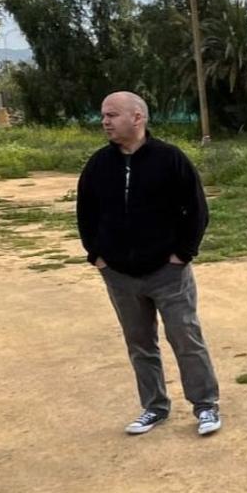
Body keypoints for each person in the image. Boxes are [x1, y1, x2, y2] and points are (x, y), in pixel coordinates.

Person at [76, 91, 221, 436]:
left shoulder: (170, 159)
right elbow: (86, 213)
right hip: (120, 275)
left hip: (168, 273)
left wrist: (181, 255)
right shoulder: (99, 165)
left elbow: (197, 211)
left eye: (112, 115)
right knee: (139, 343)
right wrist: (97, 256)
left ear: (137, 118)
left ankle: (205, 406)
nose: (105, 122)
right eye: (103, 115)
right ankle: (154, 407)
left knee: (186, 338)